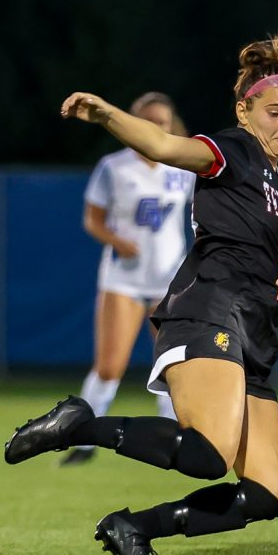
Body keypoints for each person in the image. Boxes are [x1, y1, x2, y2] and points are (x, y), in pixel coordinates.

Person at [4, 35, 278, 555]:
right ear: (244, 111)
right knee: (208, 455)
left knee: (272, 491)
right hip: (210, 311)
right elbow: (163, 147)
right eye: (274, 111)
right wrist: (108, 113)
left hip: (254, 342)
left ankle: (132, 527)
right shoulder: (233, 152)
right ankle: (78, 425)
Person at [61, 92, 193, 466]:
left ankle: (175, 438)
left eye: (163, 123)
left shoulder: (181, 166)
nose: (156, 129)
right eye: (148, 121)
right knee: (109, 367)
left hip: (169, 279)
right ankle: (81, 439)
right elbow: (93, 219)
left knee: (172, 364)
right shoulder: (114, 167)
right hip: (125, 279)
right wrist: (117, 240)